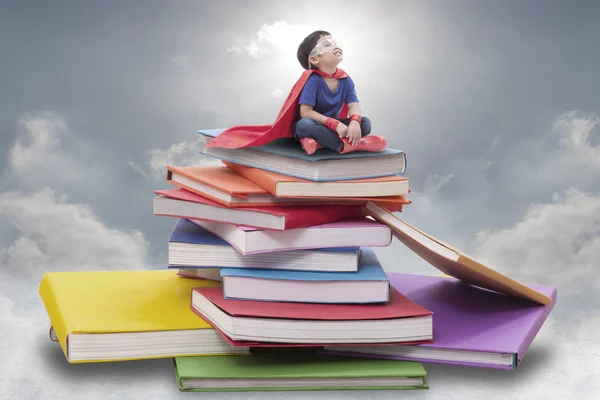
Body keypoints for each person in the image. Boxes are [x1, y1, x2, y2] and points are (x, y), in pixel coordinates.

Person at [292, 31, 386, 154]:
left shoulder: (346, 79)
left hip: (333, 127)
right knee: (304, 124)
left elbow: (354, 105)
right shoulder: (313, 80)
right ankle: (349, 145)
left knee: (365, 123)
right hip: (316, 124)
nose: (334, 46)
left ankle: (318, 144)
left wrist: (354, 122)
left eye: (334, 43)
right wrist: (334, 124)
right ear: (314, 59)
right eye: (327, 45)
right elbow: (305, 112)